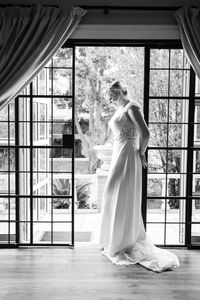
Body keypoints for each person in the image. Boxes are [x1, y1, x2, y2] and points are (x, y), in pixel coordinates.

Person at [98, 81, 180, 273]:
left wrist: (141, 153)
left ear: (117, 92)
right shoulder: (121, 108)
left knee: (121, 195)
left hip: (128, 155)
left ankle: (123, 241)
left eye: (110, 95)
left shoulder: (132, 107)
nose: (109, 99)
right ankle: (114, 239)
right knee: (112, 193)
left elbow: (145, 133)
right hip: (119, 152)